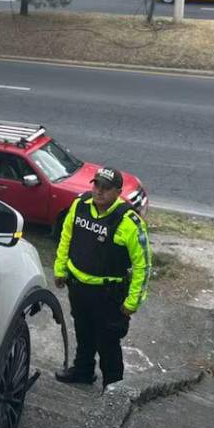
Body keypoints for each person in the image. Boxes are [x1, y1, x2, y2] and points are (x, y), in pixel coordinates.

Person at [52, 166, 151, 388]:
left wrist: (133, 301)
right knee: (83, 332)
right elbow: (66, 236)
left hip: (108, 296)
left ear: (117, 191)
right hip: (78, 287)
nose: (99, 191)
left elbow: (143, 265)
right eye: (96, 185)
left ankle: (113, 388)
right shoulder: (80, 205)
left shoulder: (128, 221)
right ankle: (83, 371)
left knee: (108, 343)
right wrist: (60, 269)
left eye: (106, 188)